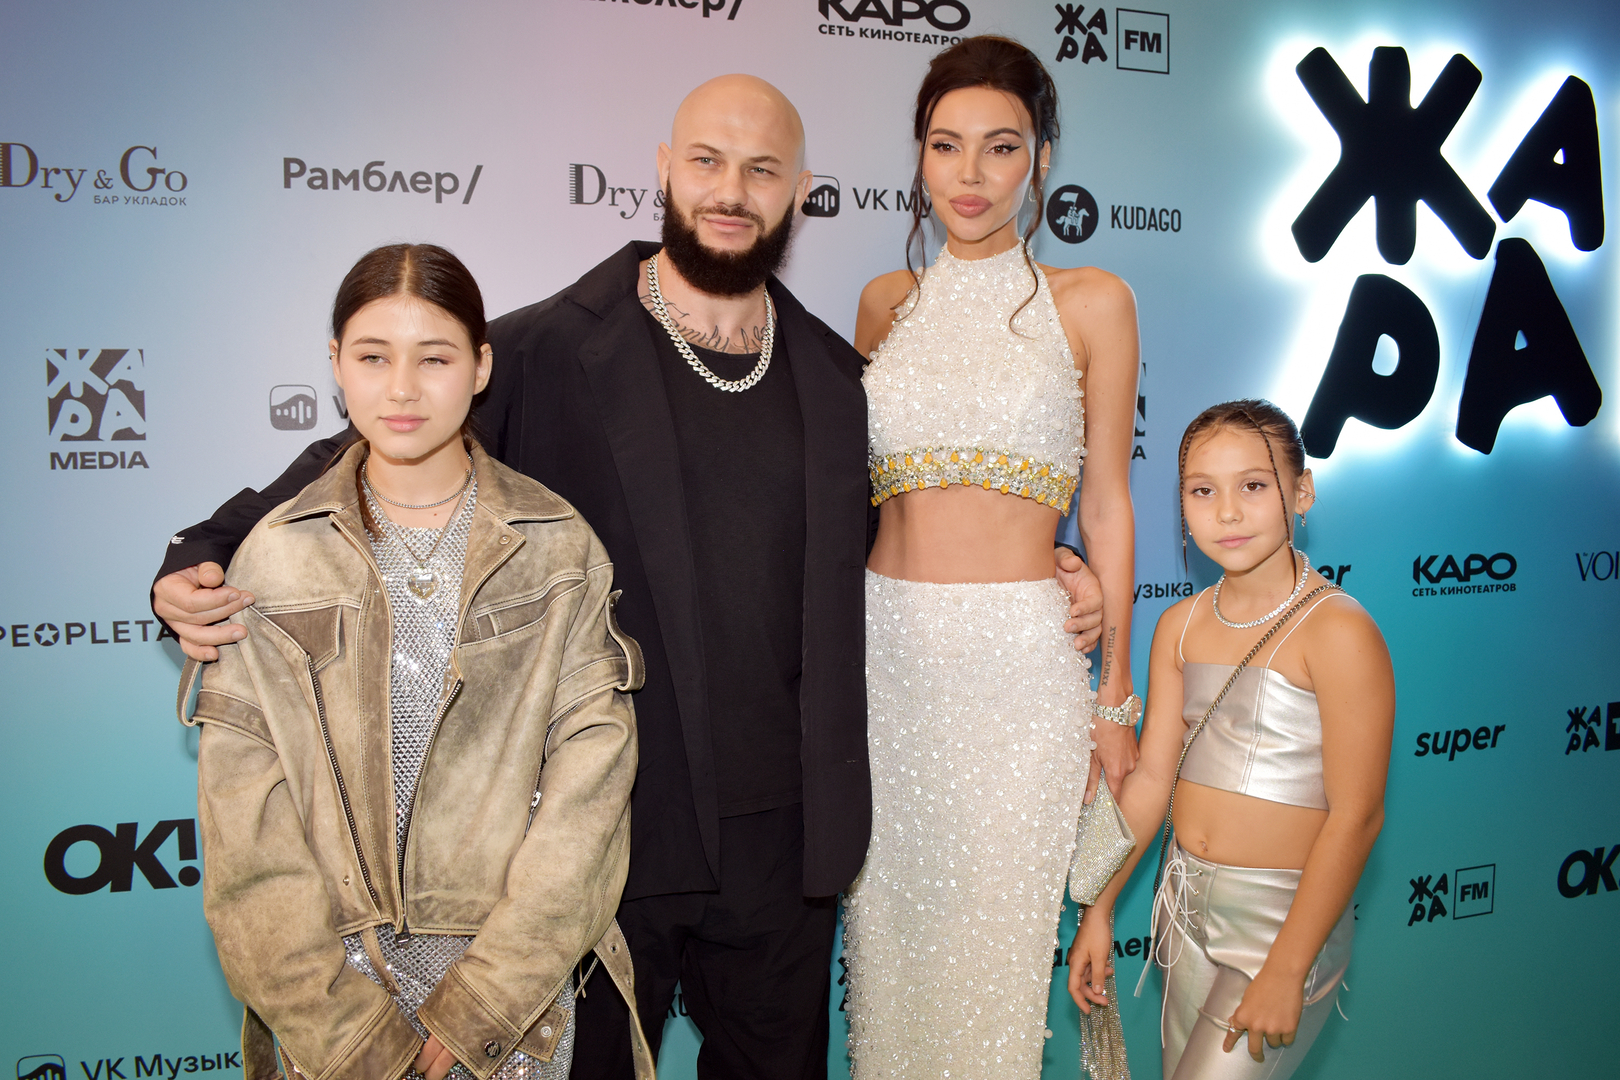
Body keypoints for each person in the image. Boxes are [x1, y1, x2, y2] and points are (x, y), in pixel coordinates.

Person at [150, 75, 1109, 1079]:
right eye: (706, 161)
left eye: (761, 170)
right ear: (663, 170)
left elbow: (907, 526)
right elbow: (383, 443)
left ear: (800, 191)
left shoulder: (835, 376)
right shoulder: (552, 344)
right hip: (603, 840)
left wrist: (1051, 561)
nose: (729, 191)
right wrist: (203, 549)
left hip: (785, 851)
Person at [181, 243, 652, 1080]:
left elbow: (590, 799)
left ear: (480, 367)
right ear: (336, 366)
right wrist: (345, 1036)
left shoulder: (558, 546)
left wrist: (488, 1002)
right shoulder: (273, 559)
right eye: (373, 357)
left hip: (516, 1007)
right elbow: (247, 837)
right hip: (333, 1004)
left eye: (433, 358)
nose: (401, 388)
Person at [843, 36, 1141, 1078]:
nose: (969, 174)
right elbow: (845, 499)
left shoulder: (1093, 301)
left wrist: (1114, 696)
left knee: (995, 976)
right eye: (946, 145)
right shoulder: (883, 304)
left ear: (1042, 159)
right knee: (891, 971)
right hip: (886, 661)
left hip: (1022, 669)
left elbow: (1106, 501)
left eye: (1001, 147)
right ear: (920, 156)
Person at [1068, 400, 1395, 1079]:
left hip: (1282, 925)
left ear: (1301, 492)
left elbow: (1357, 815)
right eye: (1201, 491)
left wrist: (1288, 966)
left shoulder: (1338, 630)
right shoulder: (1179, 625)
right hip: (1182, 912)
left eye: (1253, 485)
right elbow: (1152, 780)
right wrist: (1099, 907)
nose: (1227, 512)